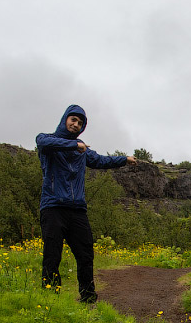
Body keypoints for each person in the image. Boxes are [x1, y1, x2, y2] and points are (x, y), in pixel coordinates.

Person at [36, 104, 137, 302]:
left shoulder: (83, 150)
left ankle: (88, 297)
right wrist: (74, 145)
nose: (76, 125)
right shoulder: (48, 141)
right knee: (52, 255)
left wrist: (124, 159)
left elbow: (101, 161)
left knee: (85, 254)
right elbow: (43, 142)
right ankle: (50, 298)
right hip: (53, 206)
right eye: (73, 120)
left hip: (77, 210)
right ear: (65, 120)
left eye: (80, 123)